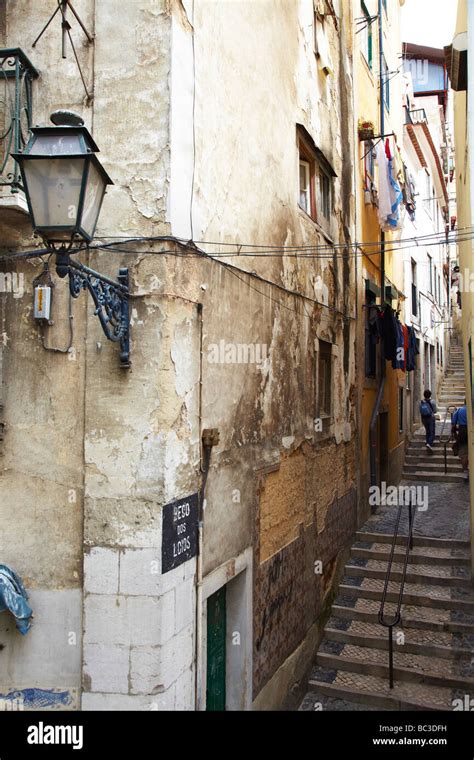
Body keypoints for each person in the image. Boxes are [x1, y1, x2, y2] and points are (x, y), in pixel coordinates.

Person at [452, 401, 469, 482]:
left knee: (464, 454)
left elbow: (453, 423)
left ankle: (465, 472)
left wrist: (455, 434)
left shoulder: (459, 410)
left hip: (462, 433)